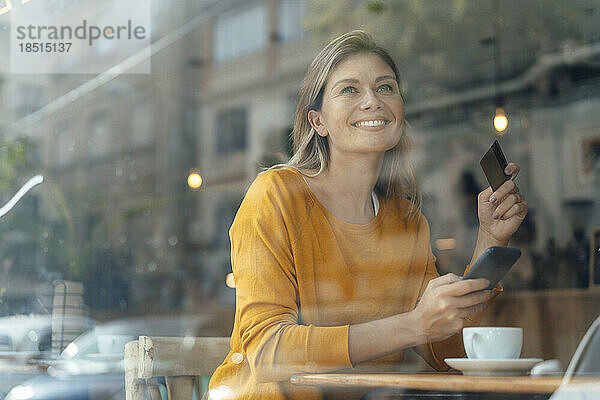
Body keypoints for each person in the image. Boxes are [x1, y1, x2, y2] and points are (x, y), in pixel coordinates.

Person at [208, 31, 529, 400]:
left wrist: (491, 239)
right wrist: (412, 325)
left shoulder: (407, 223)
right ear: (318, 122)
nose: (373, 101)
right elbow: (268, 351)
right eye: (349, 90)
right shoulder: (275, 195)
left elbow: (448, 353)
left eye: (386, 87)